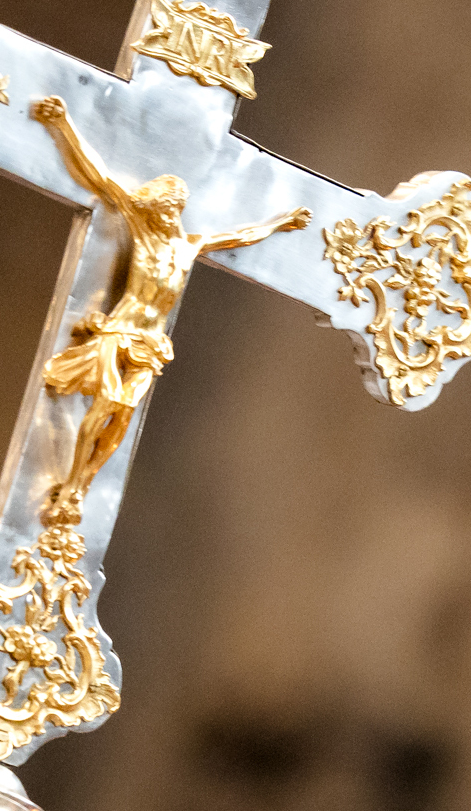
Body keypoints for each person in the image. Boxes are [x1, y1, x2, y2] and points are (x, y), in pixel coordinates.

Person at [31, 96, 310, 521]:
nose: (161, 219)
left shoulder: (190, 246)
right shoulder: (142, 232)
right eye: (157, 212)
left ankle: (82, 485)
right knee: (106, 401)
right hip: (119, 333)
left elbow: (241, 236)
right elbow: (100, 178)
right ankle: (68, 485)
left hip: (152, 344)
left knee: (122, 417)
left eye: (167, 212)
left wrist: (281, 222)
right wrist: (63, 123)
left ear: (176, 209)